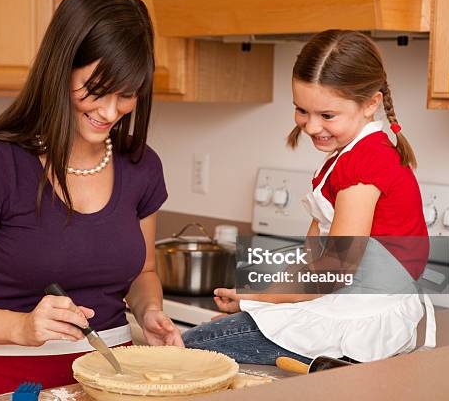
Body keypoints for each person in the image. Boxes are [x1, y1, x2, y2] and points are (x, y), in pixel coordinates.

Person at [0, 0, 182, 399]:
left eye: (127, 95)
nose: (109, 112)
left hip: (111, 381)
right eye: (96, 89)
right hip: (6, 380)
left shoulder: (141, 165)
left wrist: (149, 311)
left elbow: (142, 272)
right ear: (62, 67)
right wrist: (20, 327)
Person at [182, 30, 435, 366]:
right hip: (347, 308)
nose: (312, 126)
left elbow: (335, 269)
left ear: (370, 104)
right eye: (302, 110)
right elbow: (313, 261)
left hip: (362, 321)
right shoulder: (348, 157)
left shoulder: (365, 164)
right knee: (203, 341)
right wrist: (257, 301)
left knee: (192, 345)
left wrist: (253, 306)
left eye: (327, 115)